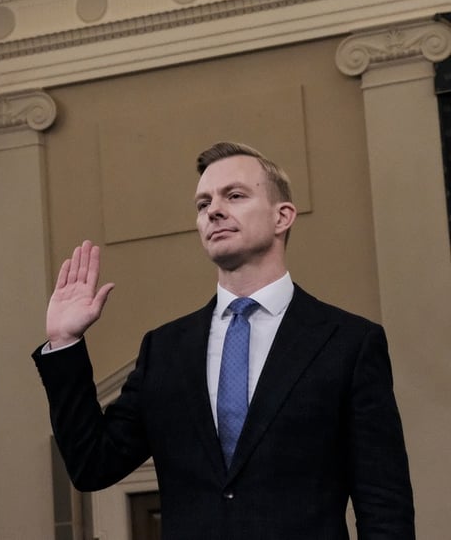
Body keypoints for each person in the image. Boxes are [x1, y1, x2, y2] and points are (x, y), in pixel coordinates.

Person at [33, 142, 414, 539]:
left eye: (234, 195)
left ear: (282, 216)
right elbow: (93, 464)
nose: (213, 210)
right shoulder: (165, 350)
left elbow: (384, 504)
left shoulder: (349, 343)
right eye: (202, 204)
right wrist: (64, 343)